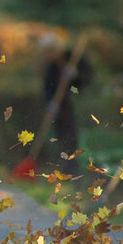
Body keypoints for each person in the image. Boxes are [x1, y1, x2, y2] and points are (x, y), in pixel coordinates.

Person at [39, 33, 92, 173]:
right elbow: (48, 87)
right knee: (62, 138)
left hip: (78, 103)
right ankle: (65, 169)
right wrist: (50, 103)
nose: (47, 55)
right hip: (62, 109)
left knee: (74, 138)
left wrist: (75, 77)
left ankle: (75, 171)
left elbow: (85, 82)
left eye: (49, 52)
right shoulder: (51, 67)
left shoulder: (74, 59)